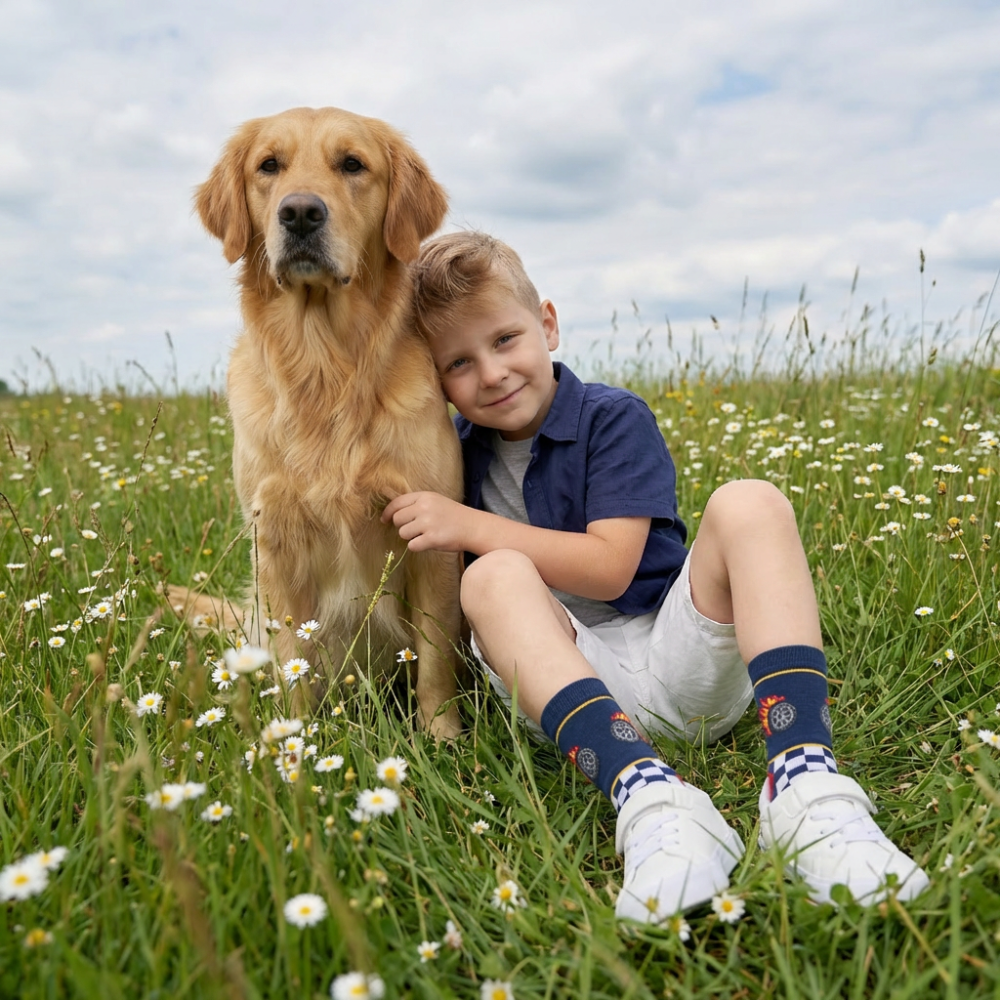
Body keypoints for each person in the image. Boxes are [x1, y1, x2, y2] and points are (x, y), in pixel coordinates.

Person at [381, 231, 929, 921]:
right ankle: (649, 798)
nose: (491, 373)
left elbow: (611, 569)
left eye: (505, 339)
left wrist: (467, 527)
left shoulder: (611, 417)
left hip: (683, 659)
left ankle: (804, 784)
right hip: (571, 689)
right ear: (432, 379)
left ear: (547, 324)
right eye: (458, 362)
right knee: (490, 581)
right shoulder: (452, 454)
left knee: (750, 502)